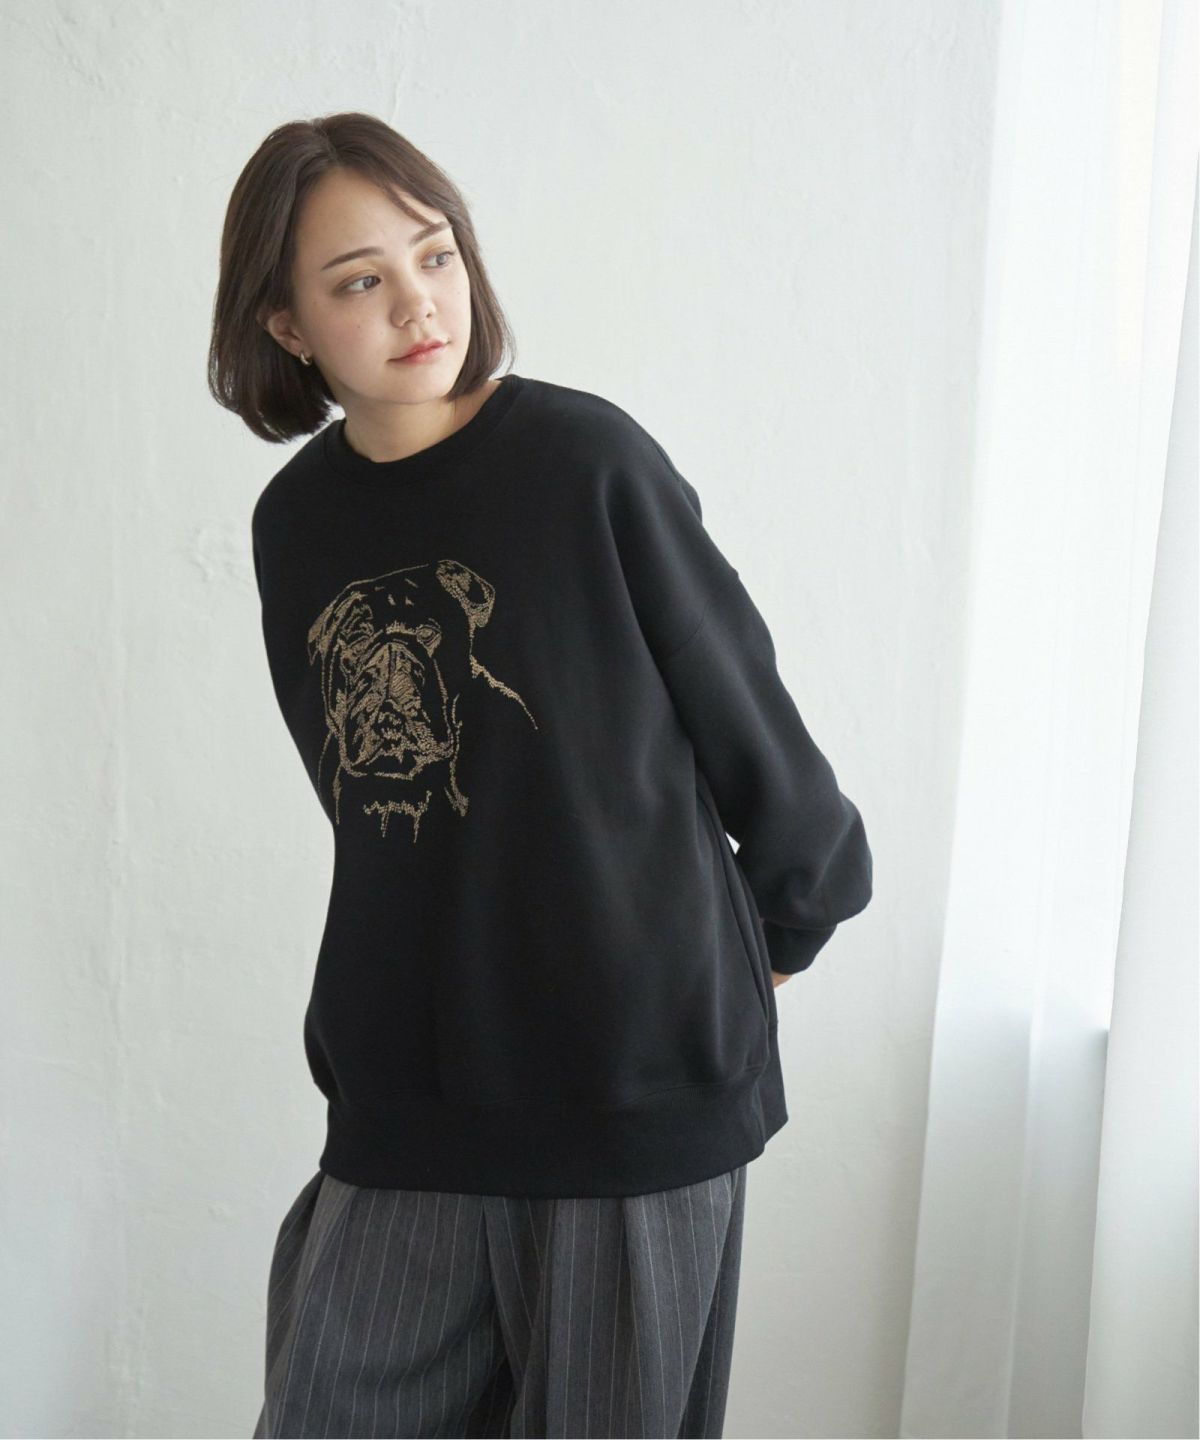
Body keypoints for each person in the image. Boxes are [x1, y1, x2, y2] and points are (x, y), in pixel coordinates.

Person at [208, 110, 873, 1439]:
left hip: (629, 1091)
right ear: (286, 325)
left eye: (435, 255)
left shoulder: (585, 464)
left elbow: (759, 740)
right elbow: (369, 806)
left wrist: (749, 945)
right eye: (359, 281)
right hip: (409, 1094)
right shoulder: (297, 526)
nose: (418, 304)